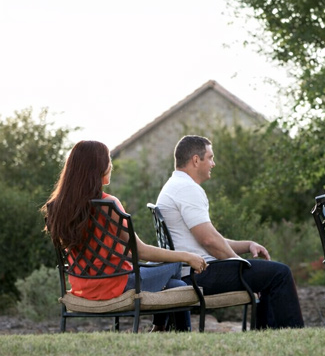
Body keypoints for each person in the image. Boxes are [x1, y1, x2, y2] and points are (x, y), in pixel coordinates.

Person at [42, 140, 207, 330]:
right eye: (108, 160)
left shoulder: (58, 207)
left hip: (82, 284)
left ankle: (162, 328)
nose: (111, 165)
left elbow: (125, 253)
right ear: (97, 167)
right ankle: (168, 328)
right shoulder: (108, 204)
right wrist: (186, 256)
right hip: (117, 283)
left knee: (175, 283)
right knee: (175, 264)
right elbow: (139, 251)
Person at [156, 135, 304, 329]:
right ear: (195, 160)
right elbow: (209, 241)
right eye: (210, 157)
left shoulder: (174, 186)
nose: (213, 163)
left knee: (268, 274)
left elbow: (208, 238)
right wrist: (241, 264)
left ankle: (266, 334)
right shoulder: (187, 189)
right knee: (280, 273)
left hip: (188, 271)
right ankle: (290, 335)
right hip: (197, 273)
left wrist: (246, 245)